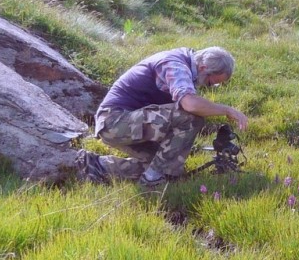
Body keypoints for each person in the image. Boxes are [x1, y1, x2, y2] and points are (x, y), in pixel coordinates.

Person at [76, 46, 248, 186]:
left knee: (166, 163)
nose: (209, 87)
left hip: (129, 123)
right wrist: (227, 110)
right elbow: (190, 104)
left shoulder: (187, 63)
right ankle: (153, 180)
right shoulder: (175, 65)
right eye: (211, 83)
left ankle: (97, 165)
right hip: (114, 123)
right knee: (191, 117)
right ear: (203, 68)